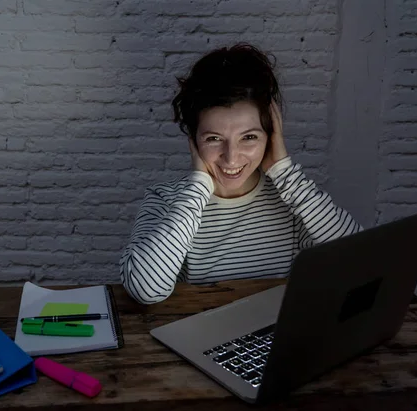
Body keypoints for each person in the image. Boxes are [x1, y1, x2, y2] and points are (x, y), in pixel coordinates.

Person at [120, 43, 362, 304]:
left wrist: (285, 171)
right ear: (193, 140)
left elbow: (360, 261)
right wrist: (199, 187)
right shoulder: (165, 200)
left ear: (271, 137)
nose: (232, 157)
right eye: (214, 138)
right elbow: (146, 290)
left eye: (249, 137)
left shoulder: (294, 200)